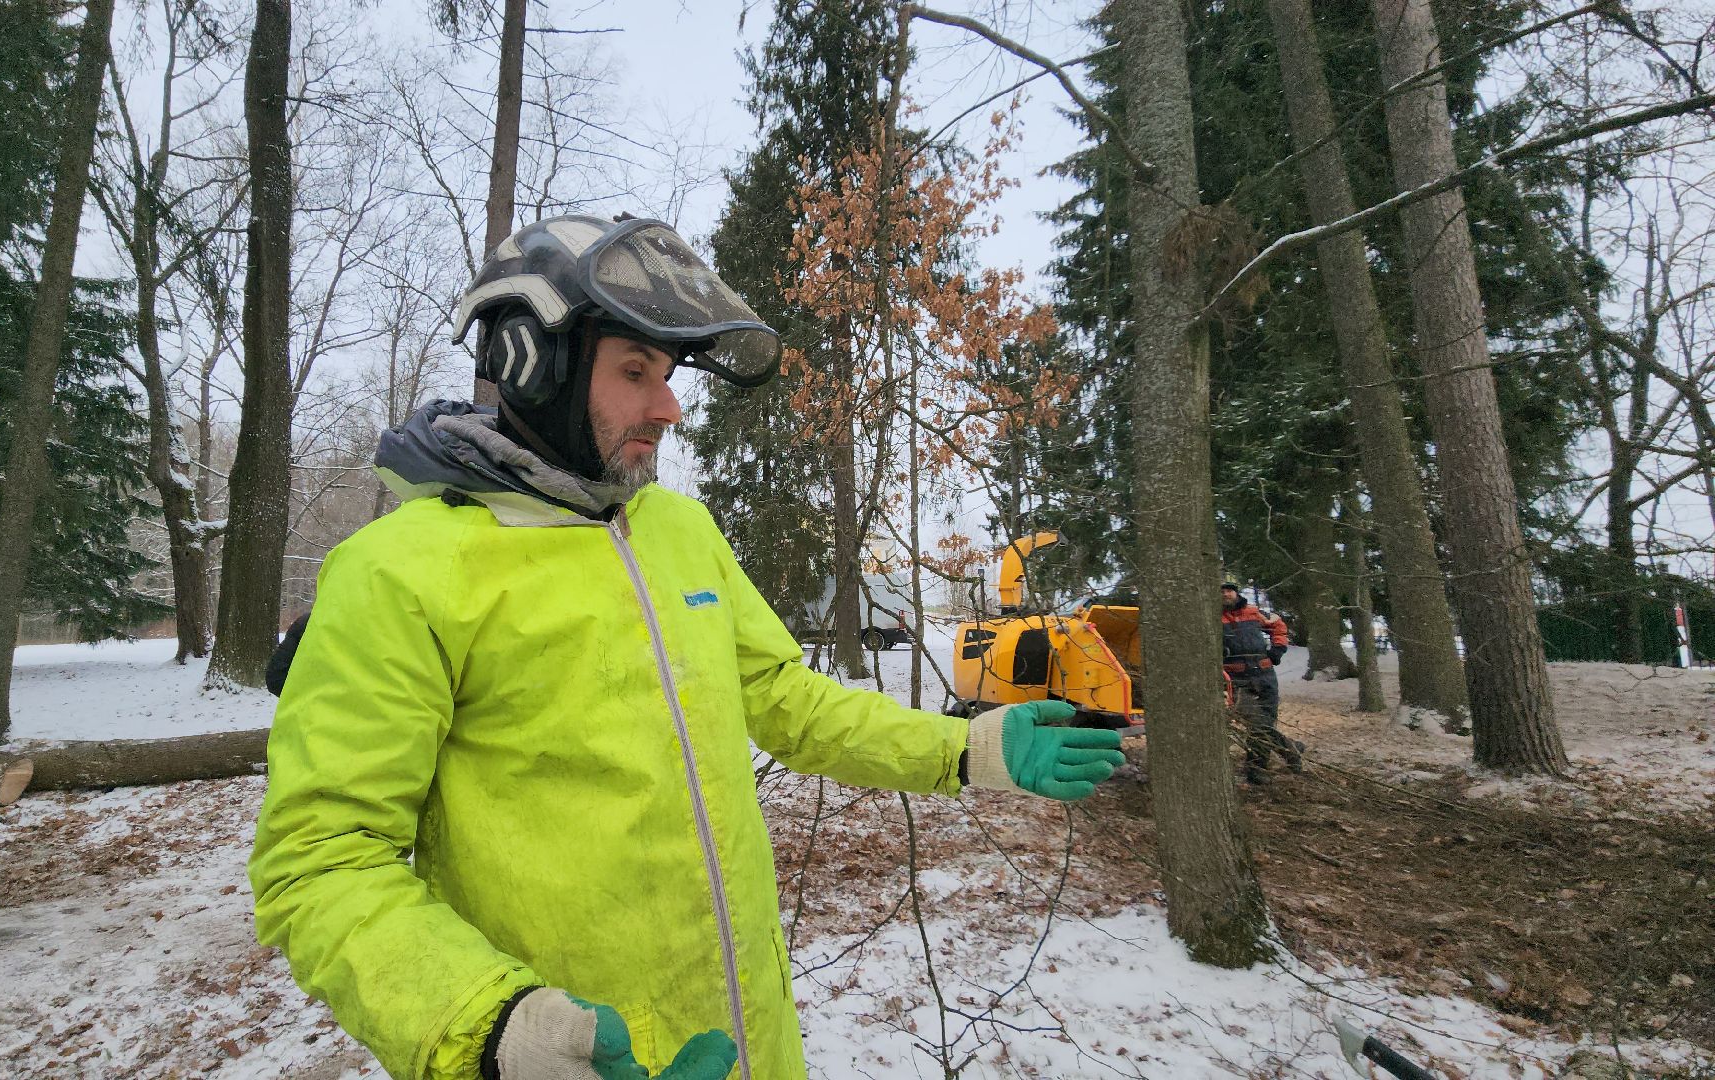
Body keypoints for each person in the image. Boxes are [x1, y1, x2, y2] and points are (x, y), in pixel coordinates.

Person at [247, 214, 1126, 1080]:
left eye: (667, 375)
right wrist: (496, 1033)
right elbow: (323, 861)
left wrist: (965, 748)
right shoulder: (398, 573)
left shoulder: (681, 531)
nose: (667, 407)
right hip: (574, 1058)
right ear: (531, 362)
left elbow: (786, 699)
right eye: (636, 372)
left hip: (751, 1043)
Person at [1220, 580, 1302, 784]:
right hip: (1236, 679)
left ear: (1236, 593)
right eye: (1221, 591)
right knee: (1258, 722)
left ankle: (1277, 757)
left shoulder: (1254, 612)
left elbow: (1279, 626)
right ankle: (1262, 765)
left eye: (1229, 590)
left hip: (1265, 675)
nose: (1225, 594)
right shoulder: (1213, 619)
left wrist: (1278, 650)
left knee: (1267, 720)